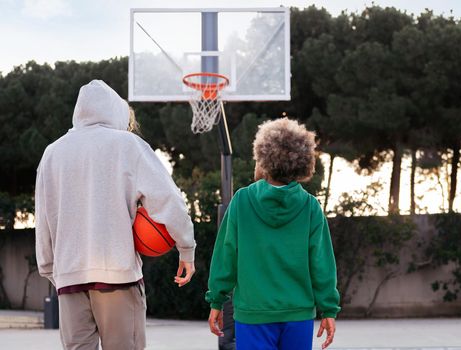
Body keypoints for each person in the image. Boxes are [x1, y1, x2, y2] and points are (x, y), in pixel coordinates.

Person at [35, 80, 196, 350]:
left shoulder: (52, 152)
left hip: (69, 277)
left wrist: (50, 268)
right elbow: (167, 199)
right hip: (118, 276)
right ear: (117, 111)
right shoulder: (128, 145)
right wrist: (186, 247)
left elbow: (44, 216)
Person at [206, 118, 340, 350]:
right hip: (298, 315)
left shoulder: (242, 201)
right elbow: (322, 264)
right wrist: (328, 308)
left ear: (263, 159)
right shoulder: (310, 207)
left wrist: (216, 300)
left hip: (253, 313)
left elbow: (226, 256)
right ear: (303, 162)